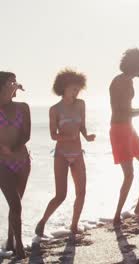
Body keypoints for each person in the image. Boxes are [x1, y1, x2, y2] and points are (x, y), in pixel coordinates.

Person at [35, 69, 95, 236]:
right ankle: (42, 222)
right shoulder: (55, 109)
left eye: (78, 89)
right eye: (73, 89)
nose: (76, 92)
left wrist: (87, 136)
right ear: (63, 88)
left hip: (78, 154)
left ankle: (74, 225)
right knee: (61, 195)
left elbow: (82, 126)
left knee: (81, 192)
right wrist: (68, 137)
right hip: (61, 155)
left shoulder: (81, 104)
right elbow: (53, 135)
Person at [109, 47, 139, 226]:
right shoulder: (120, 82)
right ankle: (117, 215)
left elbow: (127, 110)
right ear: (135, 65)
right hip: (119, 130)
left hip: (129, 128)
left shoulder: (128, 81)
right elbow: (120, 110)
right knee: (129, 175)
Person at [0, 72, 30, 258]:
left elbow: (27, 134)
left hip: (22, 161)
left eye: (16, 81)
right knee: (16, 204)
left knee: (15, 205)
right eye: (11, 81)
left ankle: (10, 238)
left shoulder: (23, 107)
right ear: (2, 85)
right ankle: (19, 246)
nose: (16, 83)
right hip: (1, 163)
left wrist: (14, 147)